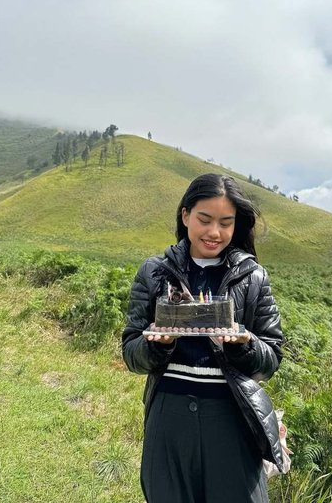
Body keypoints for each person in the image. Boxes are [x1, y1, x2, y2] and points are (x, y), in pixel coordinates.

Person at [122, 173, 284, 503]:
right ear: (185, 215)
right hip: (169, 418)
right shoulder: (154, 272)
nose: (214, 232)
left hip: (232, 418)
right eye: (205, 219)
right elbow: (131, 352)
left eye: (226, 223)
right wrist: (157, 344)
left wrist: (245, 343)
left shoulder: (253, 277)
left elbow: (271, 358)